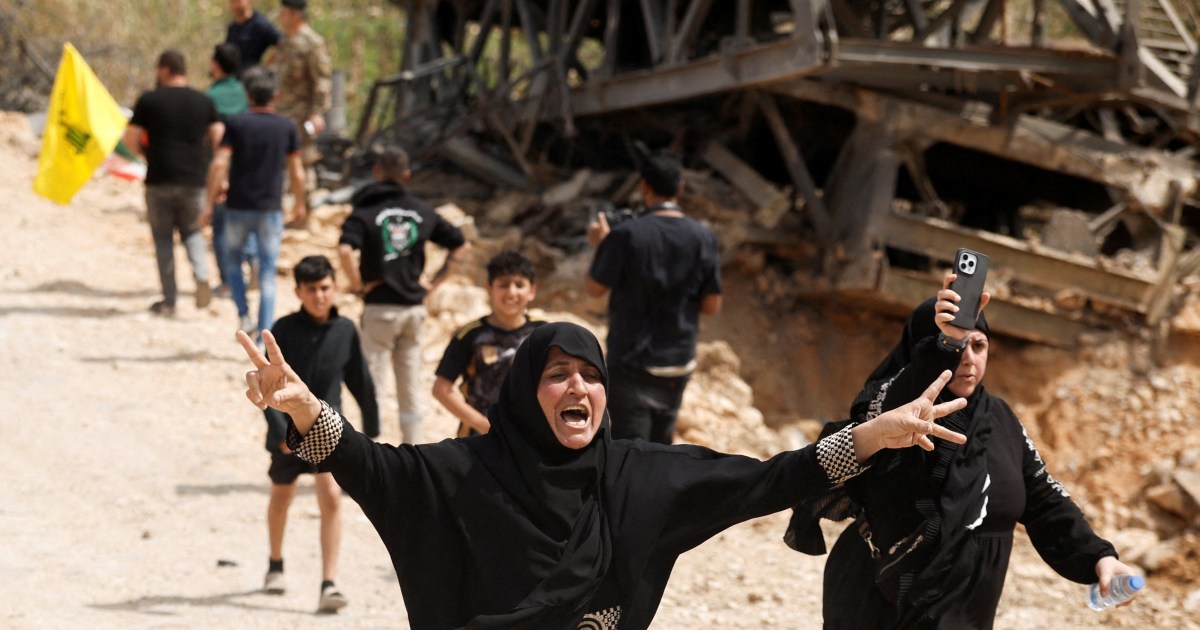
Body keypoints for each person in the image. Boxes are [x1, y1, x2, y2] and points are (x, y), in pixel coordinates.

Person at [236, 320, 968, 628]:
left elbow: (774, 478)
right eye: (557, 374)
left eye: (590, 375)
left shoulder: (642, 478)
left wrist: (871, 437)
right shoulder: (464, 472)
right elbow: (367, 463)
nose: (578, 388)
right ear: (525, 393)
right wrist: (304, 409)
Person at [785, 275, 1138, 628]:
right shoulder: (893, 408)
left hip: (965, 612)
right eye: (954, 347)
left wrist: (1099, 558)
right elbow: (891, 401)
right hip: (878, 605)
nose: (967, 359)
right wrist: (941, 348)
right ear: (922, 350)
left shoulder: (998, 418)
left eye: (978, 346)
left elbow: (1043, 498)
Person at [260, 255, 378, 613]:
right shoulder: (282, 329)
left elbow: (361, 382)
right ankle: (275, 565)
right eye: (311, 289)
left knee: (331, 498)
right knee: (282, 497)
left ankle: (329, 583)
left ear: (335, 287)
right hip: (286, 431)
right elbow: (268, 387)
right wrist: (280, 432)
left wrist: (372, 431)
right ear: (298, 291)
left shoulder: (345, 330)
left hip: (327, 428)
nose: (319, 296)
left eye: (325, 288)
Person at [585, 150, 721, 444]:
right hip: (678, 363)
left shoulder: (626, 235)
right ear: (680, 188)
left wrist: (602, 246)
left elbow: (594, 289)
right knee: (661, 452)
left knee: (629, 454)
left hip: (632, 363)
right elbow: (711, 305)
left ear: (644, 187)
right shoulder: (704, 237)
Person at [338, 145, 468, 444]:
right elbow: (461, 244)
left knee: (374, 386)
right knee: (410, 388)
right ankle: (413, 454)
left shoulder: (365, 210)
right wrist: (435, 282)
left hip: (380, 309)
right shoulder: (422, 210)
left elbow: (345, 250)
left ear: (376, 172)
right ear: (406, 176)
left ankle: (369, 455)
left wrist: (358, 286)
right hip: (413, 309)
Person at [201, 68, 306, 338]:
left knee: (233, 263)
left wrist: (209, 203)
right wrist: (300, 202)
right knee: (268, 272)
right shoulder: (286, 126)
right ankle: (264, 333)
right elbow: (296, 170)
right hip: (270, 209)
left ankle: (243, 314)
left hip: (238, 206)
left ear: (248, 96)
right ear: (276, 96)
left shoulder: (236, 123)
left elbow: (220, 163)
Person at [123, 48, 221, 317]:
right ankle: (201, 275)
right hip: (194, 180)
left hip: (159, 178)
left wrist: (147, 155)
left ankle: (169, 301)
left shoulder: (149, 100)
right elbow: (218, 136)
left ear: (164, 70)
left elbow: (129, 140)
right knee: (192, 232)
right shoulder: (204, 101)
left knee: (163, 239)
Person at [433, 250, 545, 437]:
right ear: (489, 289)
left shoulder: (543, 333)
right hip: (479, 439)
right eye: (503, 285)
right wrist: (484, 426)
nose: (511, 292)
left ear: (532, 291)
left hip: (530, 436)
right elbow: (441, 389)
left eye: (519, 285)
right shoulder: (470, 335)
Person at [205, 42, 255, 300]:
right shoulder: (245, 94)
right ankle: (253, 263)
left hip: (223, 169)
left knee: (221, 227)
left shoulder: (212, 97)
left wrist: (220, 177)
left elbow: (217, 138)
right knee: (246, 223)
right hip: (249, 171)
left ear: (215, 64)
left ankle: (227, 282)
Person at [273, 0, 331, 223]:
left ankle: (304, 215)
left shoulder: (312, 43)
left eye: (284, 12)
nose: (281, 16)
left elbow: (322, 81)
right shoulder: (285, 41)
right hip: (282, 113)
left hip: (302, 114)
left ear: (296, 14)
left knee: (303, 161)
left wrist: (317, 112)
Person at [225, 0, 280, 72]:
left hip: (252, 76)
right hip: (234, 75)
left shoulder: (260, 24)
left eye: (238, 1)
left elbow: (282, 43)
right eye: (232, 2)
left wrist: (265, 67)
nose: (235, 5)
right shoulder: (232, 27)